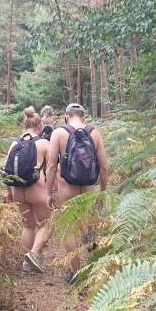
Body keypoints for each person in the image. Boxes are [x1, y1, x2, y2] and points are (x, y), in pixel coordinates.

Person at [24, 103, 108, 279]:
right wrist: (103, 191)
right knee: (89, 228)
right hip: (88, 189)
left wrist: (48, 193)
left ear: (67, 117)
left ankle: (76, 272)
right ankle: (95, 271)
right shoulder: (95, 133)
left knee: (69, 230)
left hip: (66, 189)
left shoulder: (59, 133)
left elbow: (52, 166)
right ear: (83, 117)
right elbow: (104, 167)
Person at [3, 107, 53, 273]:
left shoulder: (14, 143)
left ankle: (25, 263)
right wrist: (53, 192)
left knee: (28, 225)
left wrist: (9, 192)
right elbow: (53, 169)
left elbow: (6, 170)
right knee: (48, 222)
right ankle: (33, 253)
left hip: (18, 190)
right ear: (39, 126)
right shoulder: (44, 143)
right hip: (36, 189)